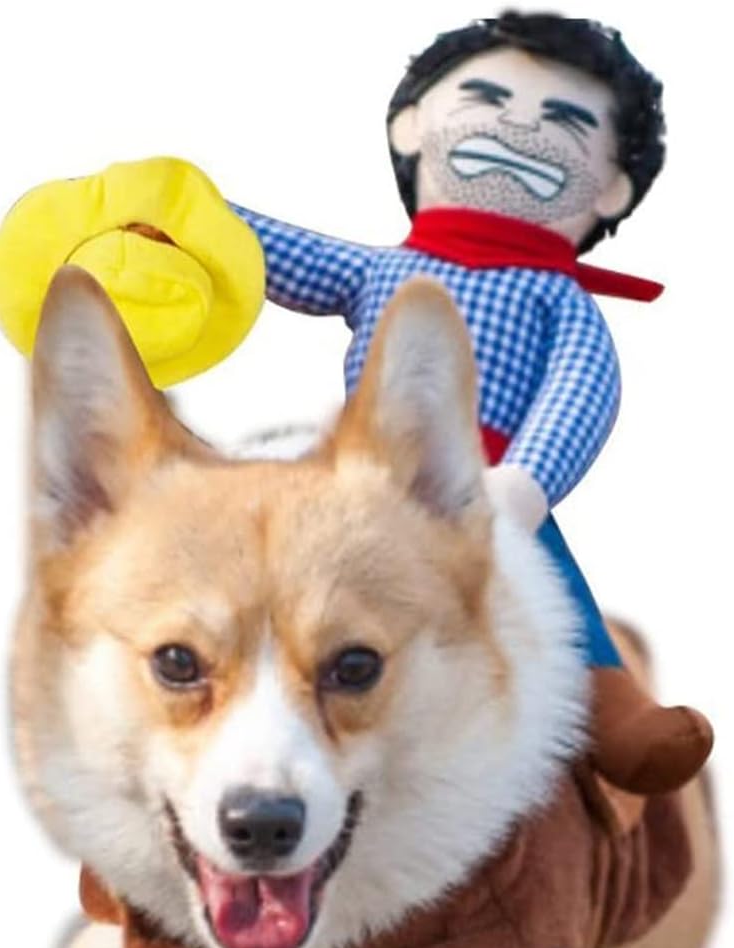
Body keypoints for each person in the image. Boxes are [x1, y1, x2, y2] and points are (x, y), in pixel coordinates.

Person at [226, 11, 713, 793]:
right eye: (485, 97)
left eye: (562, 118)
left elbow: (581, 391)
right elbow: (271, 252)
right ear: (412, 127)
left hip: (489, 485)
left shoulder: (559, 302)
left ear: (613, 185)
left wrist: (524, 482)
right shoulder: (378, 271)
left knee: (549, 590)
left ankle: (616, 713)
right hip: (357, 474)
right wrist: (188, 222)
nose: (518, 126)